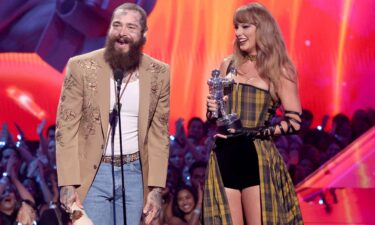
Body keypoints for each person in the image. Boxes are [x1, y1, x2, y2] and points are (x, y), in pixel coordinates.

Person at [55, 3, 170, 225]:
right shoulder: (81, 67)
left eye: (131, 27)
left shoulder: (159, 73)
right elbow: (65, 129)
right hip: (94, 172)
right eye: (117, 25)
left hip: (135, 173)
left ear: (143, 35)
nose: (122, 33)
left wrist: (156, 189)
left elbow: (159, 135)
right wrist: (67, 183)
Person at [205, 3, 303, 225]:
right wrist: (212, 110)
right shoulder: (227, 64)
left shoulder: (280, 69)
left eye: (245, 27)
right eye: (236, 27)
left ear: (262, 28)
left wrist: (255, 131)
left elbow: (295, 122)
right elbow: (215, 117)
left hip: (257, 157)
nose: (238, 33)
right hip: (224, 155)